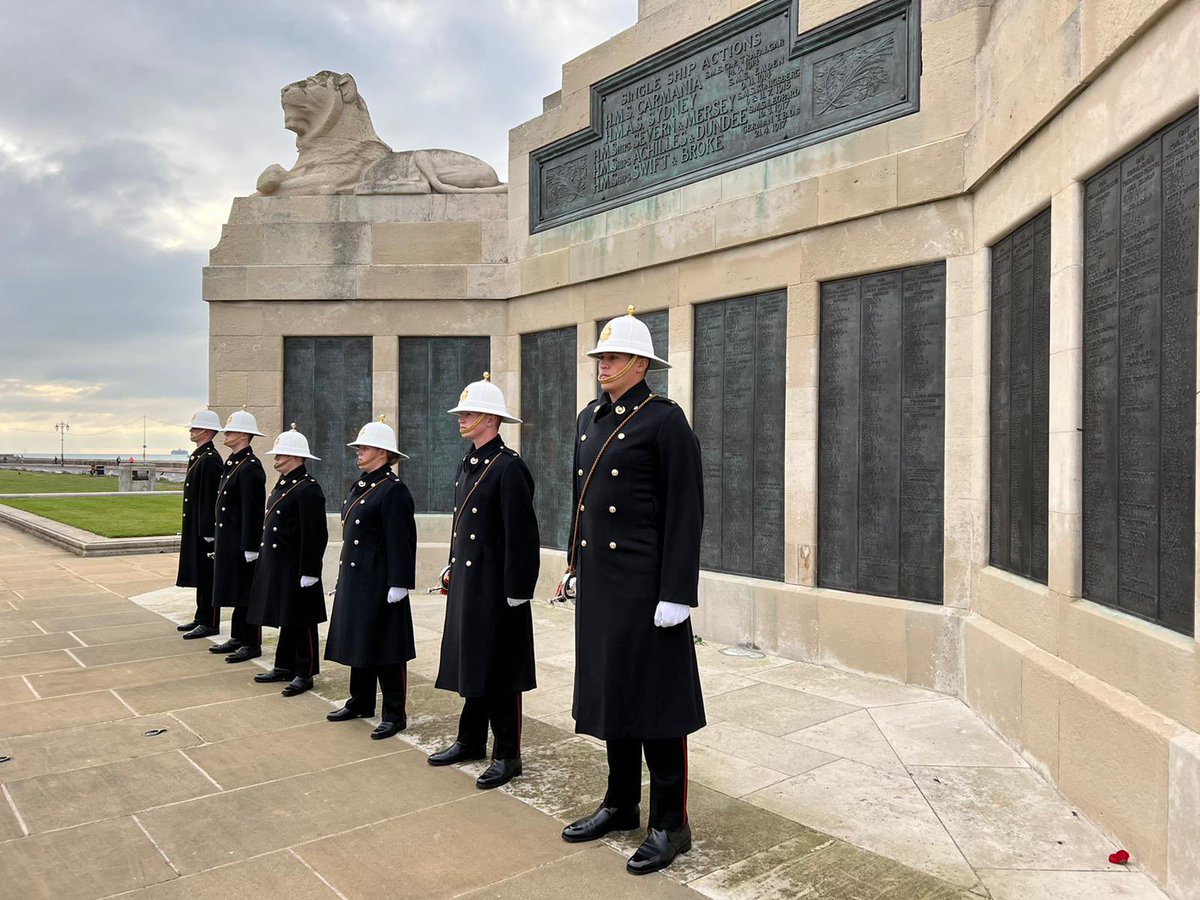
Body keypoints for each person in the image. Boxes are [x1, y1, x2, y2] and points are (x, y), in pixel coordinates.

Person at [559, 306, 706, 876]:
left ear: (642, 363)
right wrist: (575, 562)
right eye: (600, 357)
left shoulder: (664, 420)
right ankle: (621, 803)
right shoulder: (588, 418)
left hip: (647, 589)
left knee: (657, 702)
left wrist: (677, 592)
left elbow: (686, 511)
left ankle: (671, 822)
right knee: (611, 693)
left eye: (614, 357)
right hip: (602, 586)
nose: (604, 365)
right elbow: (581, 500)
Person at [428, 373, 540, 789]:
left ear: (491, 420)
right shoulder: (469, 463)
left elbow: (522, 536)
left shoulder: (509, 468)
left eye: (470, 413)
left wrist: (517, 590)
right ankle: (470, 740)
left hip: (497, 589)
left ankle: (508, 754)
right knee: (472, 663)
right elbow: (463, 528)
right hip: (470, 584)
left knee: (501, 671)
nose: (461, 419)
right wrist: (453, 566)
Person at [324, 416, 417, 740]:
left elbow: (402, 539)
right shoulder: (363, 484)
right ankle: (360, 700)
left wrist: (400, 582)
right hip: (357, 576)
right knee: (358, 642)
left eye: (363, 447)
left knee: (386, 648)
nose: (358, 452)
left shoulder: (393, 491)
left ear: (381, 452)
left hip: (380, 580)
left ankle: (395, 713)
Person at [247, 425, 328, 697]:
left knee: (301, 619)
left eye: (281, 454)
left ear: (296, 458)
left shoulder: (308, 489)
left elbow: (315, 534)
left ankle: (305, 672)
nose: (276, 458)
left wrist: (310, 571)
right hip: (279, 564)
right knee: (286, 616)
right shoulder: (285, 484)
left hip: (296, 566)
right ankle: (284, 665)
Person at [208, 407, 267, 663]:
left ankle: (251, 642)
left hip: (242, 543)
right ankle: (237, 635)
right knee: (234, 589)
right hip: (229, 540)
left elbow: (252, 511)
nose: (226, 434)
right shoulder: (234, 463)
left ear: (243, 436)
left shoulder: (250, 467)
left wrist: (250, 546)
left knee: (246, 592)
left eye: (230, 431)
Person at [177, 409, 223, 640]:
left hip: (205, 529)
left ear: (206, 431)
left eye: (195, 428)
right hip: (196, 525)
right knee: (200, 573)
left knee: (207, 576)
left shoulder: (211, 460)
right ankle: (201, 615)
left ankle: (210, 621)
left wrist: (208, 531)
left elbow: (208, 499)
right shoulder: (200, 456)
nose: (191, 431)